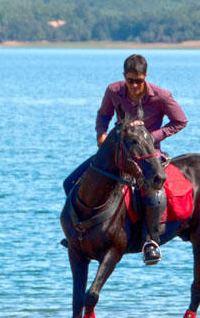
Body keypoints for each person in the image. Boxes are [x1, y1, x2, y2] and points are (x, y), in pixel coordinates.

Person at [63, 54, 187, 264]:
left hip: (147, 154)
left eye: (139, 81)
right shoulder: (113, 91)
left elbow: (180, 121)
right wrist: (101, 133)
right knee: (70, 182)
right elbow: (104, 114)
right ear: (124, 77)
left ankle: (151, 241)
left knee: (151, 191)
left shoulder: (161, 96)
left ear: (145, 77)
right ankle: (76, 233)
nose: (134, 85)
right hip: (118, 152)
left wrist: (151, 137)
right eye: (130, 80)